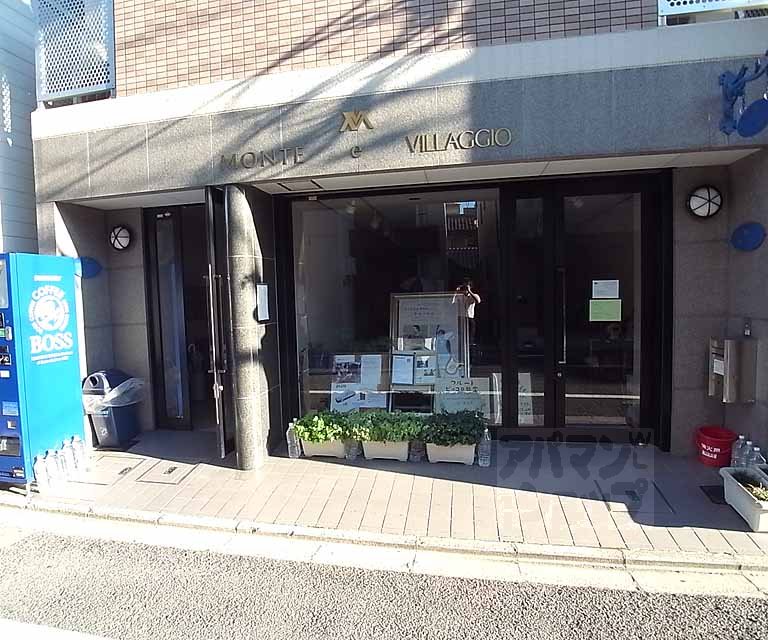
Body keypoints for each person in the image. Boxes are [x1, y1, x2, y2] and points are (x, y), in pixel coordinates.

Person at [453, 278, 481, 344]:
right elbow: (452, 302)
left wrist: (469, 291)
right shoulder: (460, 296)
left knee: (470, 338)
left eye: (466, 287)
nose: (465, 289)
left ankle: (470, 347)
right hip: (461, 318)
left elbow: (478, 301)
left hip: (469, 318)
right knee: (460, 337)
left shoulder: (473, 296)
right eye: (464, 287)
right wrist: (456, 292)